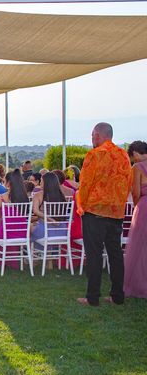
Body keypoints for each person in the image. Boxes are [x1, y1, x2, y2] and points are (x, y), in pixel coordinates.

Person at [76, 122, 132, 307]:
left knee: (94, 255)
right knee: (115, 255)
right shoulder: (123, 155)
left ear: (98, 135)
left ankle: (92, 298)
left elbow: (85, 183)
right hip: (116, 212)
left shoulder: (94, 155)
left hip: (95, 211)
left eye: (92, 136)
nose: (91, 139)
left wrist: (81, 205)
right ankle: (117, 296)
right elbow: (127, 182)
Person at [0, 170, 30, 269]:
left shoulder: (0, 198)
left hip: (5, 233)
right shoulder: (25, 198)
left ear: (8, 183)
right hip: (22, 232)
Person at [124, 140, 147, 298]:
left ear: (136, 153)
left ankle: (139, 284)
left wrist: (138, 207)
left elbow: (136, 192)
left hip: (144, 207)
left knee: (140, 247)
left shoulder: (137, 167)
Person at [30, 171, 67, 247]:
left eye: (42, 181)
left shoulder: (38, 195)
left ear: (46, 183)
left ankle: (31, 254)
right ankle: (47, 252)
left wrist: (49, 219)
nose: (40, 183)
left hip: (45, 231)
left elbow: (35, 211)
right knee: (36, 225)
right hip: (62, 231)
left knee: (28, 227)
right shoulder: (61, 195)